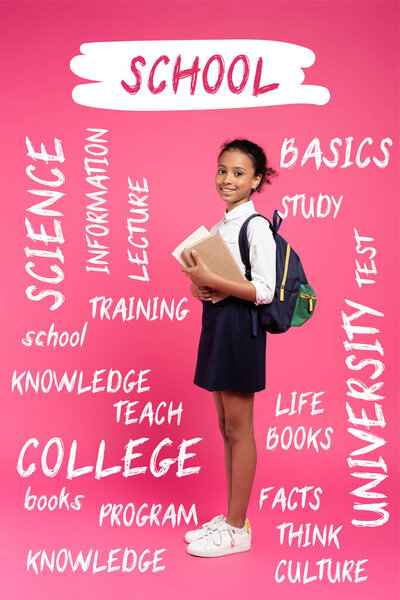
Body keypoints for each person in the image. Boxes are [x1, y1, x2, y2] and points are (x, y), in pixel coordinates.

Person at [181, 139, 277, 557]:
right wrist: (197, 286)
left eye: (239, 173)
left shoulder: (255, 227)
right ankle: (231, 517)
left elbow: (266, 291)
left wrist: (216, 283)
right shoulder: (221, 227)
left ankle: (238, 528)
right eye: (223, 170)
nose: (227, 179)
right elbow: (216, 282)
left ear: (256, 180)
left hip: (242, 330)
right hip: (218, 325)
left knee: (240, 429)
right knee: (225, 427)